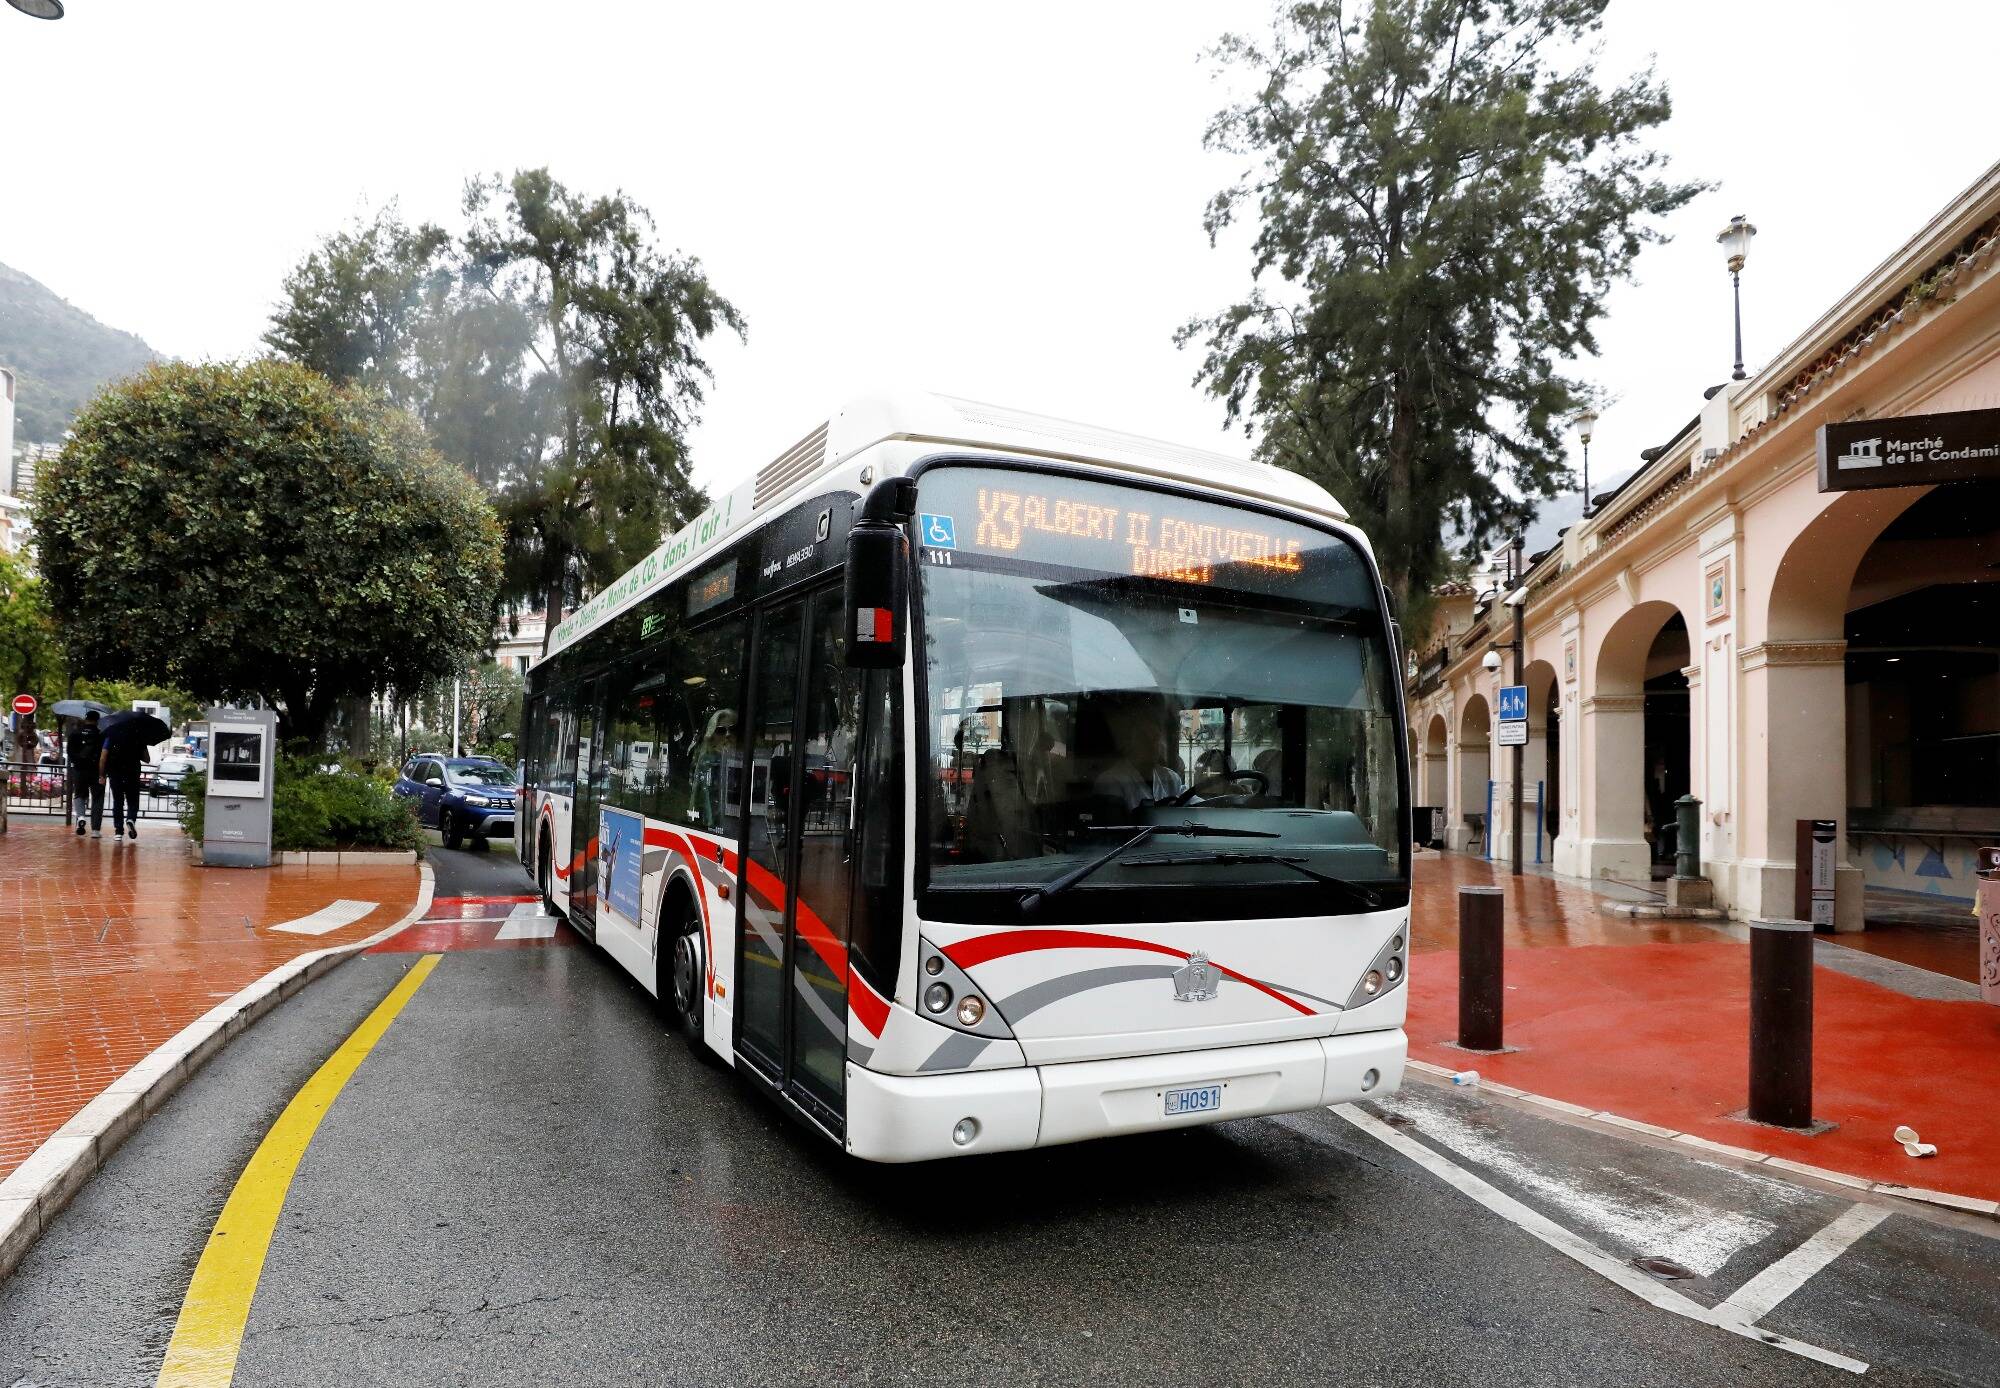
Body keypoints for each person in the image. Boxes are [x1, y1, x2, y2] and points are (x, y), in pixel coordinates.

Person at [1094, 695, 1186, 810]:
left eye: (1155, 738)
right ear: (1129, 742)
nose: (1153, 745)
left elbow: (1189, 801)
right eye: (1144, 739)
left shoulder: (1171, 779)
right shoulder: (1111, 781)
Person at [101, 730, 149, 841]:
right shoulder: (138, 737)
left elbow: (103, 757)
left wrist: (102, 774)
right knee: (133, 801)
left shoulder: (111, 736)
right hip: (132, 774)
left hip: (115, 774)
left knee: (118, 802)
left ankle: (118, 831)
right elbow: (147, 759)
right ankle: (131, 819)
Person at [66, 711, 105, 837]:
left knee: (79, 795)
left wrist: (78, 763)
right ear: (97, 720)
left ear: (86, 718)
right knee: (97, 799)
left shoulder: (75, 734)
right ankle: (95, 830)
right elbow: (105, 754)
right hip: (97, 771)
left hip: (79, 770)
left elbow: (70, 753)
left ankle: (81, 816)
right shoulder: (101, 735)